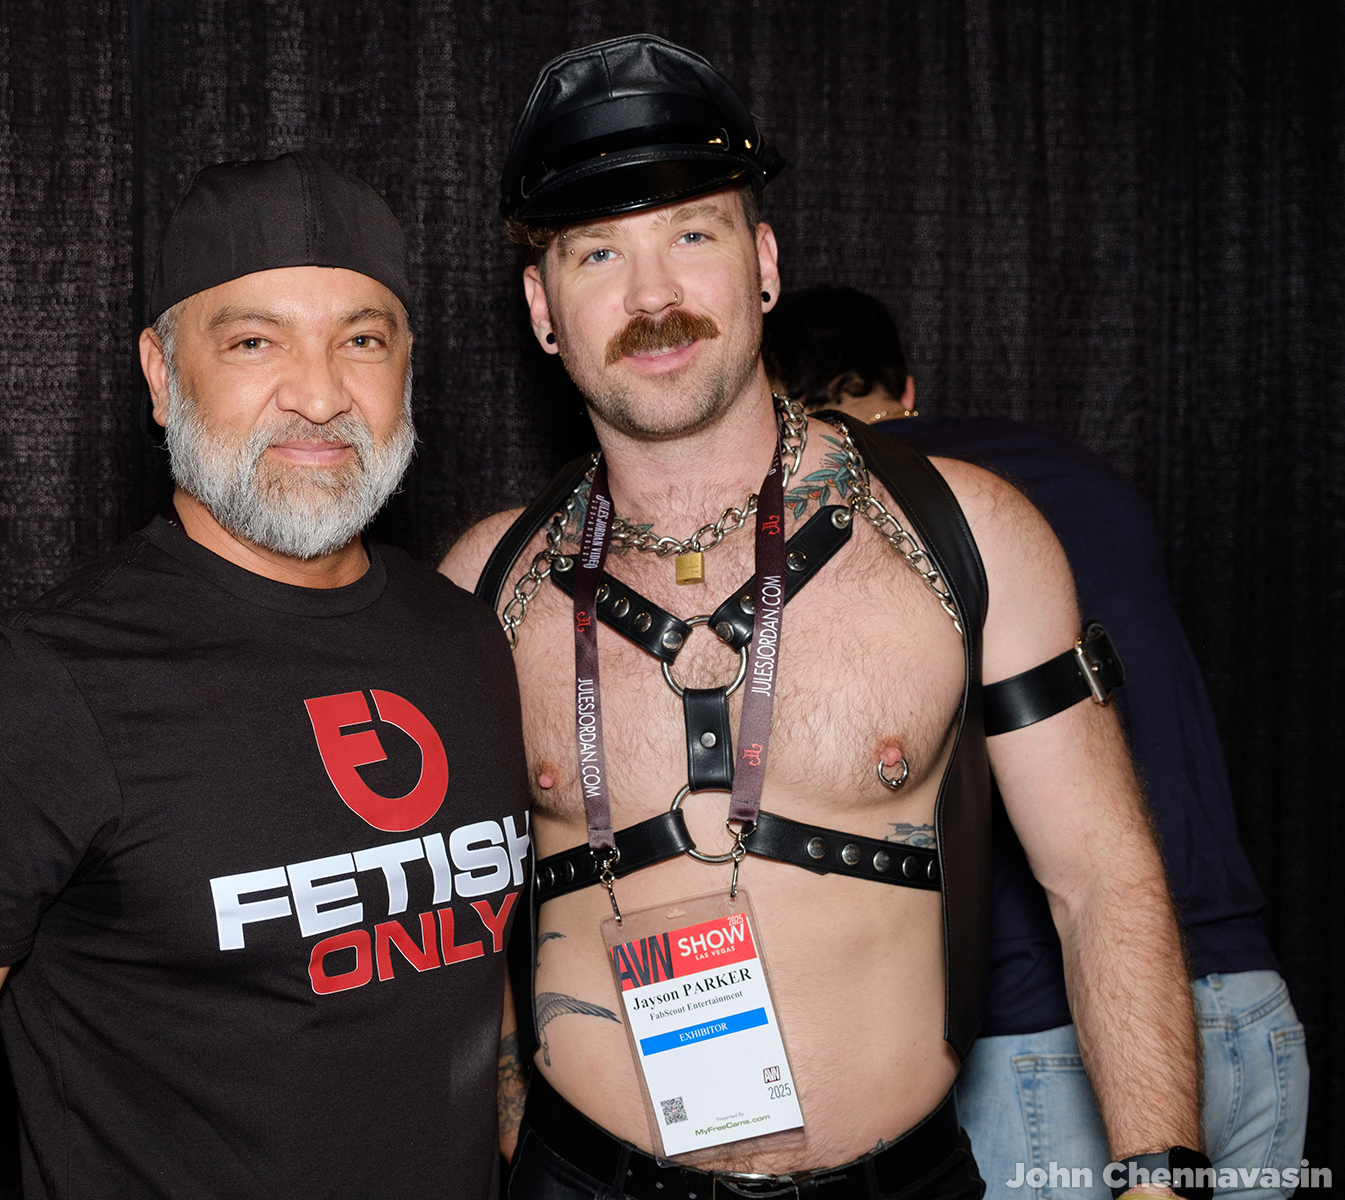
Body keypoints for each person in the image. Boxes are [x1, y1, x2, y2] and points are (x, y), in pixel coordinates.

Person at [441, 35, 1205, 1200]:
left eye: (693, 235)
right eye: (599, 253)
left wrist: (1162, 1183)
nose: (653, 298)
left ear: (763, 263)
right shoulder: (485, 584)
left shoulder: (969, 536)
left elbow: (1103, 880)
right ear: (543, 311)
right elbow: (446, 924)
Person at [0, 151, 531, 1200]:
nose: (321, 394)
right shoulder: (45, 697)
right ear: (160, 372)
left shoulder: (466, 641)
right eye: (254, 341)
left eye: (362, 340)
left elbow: (469, 978)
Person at [762, 285, 1309, 1200]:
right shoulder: (1082, 474)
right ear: (907, 386)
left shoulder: (851, 522)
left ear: (772, 400)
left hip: (1063, 1038)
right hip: (1249, 1007)